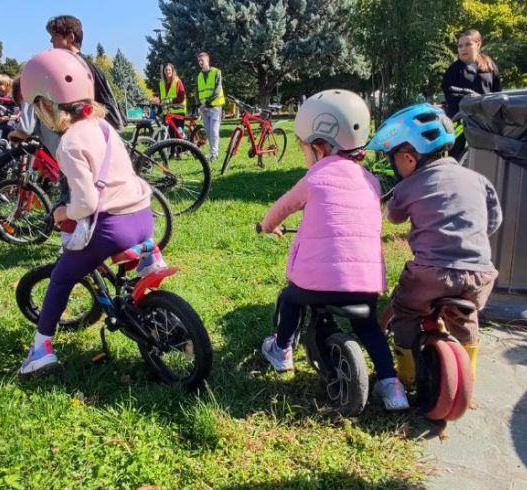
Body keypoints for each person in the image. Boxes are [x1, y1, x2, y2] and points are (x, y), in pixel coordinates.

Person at [258, 89, 409, 411]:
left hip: (314, 284)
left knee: (290, 299)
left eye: (304, 148)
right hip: (365, 284)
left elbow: (281, 209)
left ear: (320, 146)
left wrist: (267, 226)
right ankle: (391, 385)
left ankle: (281, 350)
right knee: (369, 328)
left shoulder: (314, 179)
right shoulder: (371, 181)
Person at [18, 49, 155, 374]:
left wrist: (62, 212)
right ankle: (143, 304)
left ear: (46, 105)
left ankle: (41, 350)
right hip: (143, 216)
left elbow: (87, 203)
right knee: (120, 277)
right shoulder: (104, 127)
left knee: (61, 277)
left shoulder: (69, 143)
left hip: (111, 227)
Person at [367, 103, 502, 390]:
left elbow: (394, 217)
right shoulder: (478, 179)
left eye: (393, 160)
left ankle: (407, 374)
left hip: (430, 274)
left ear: (408, 158)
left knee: (405, 312)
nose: (394, 166)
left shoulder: (407, 187)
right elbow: (493, 221)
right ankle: (468, 375)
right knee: (466, 318)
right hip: (479, 274)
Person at [45, 15, 127, 130]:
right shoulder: (81, 63)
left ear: (70, 37)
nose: (51, 40)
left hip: (97, 129)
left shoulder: (77, 66)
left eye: (55, 35)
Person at [441, 29, 501, 159]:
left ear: (478, 44)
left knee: (485, 154)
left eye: (468, 44)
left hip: (484, 119)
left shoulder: (489, 66)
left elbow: (497, 93)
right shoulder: (454, 69)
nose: (463, 49)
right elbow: (448, 90)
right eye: (460, 46)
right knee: (456, 153)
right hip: (460, 119)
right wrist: (469, 98)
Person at [196, 51, 225, 162]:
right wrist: (200, 105)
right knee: (208, 132)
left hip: (215, 106)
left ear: (208, 60)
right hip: (204, 108)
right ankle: (212, 151)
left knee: (214, 131)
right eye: (199, 61)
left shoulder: (216, 72)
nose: (200, 62)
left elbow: (217, 90)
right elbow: (197, 92)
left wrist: (206, 103)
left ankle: (214, 154)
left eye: (202, 60)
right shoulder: (199, 76)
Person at [157, 63, 187, 138]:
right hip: (167, 113)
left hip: (178, 113)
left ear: (173, 71)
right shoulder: (161, 83)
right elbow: (161, 98)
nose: (168, 72)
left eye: (169, 70)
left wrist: (170, 101)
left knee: (179, 136)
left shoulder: (177, 81)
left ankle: (183, 144)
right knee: (170, 136)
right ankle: (173, 147)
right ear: (163, 71)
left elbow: (182, 97)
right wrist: (159, 104)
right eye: (166, 70)